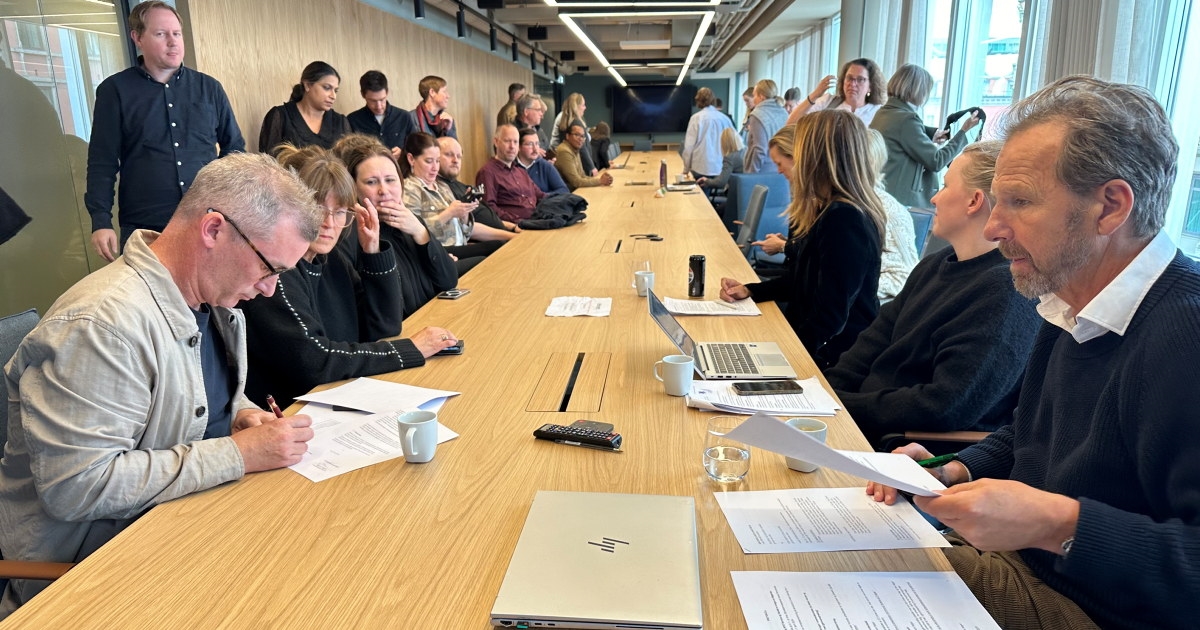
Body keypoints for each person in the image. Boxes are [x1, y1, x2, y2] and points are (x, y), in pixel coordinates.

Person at [868, 76, 1200, 629]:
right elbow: (1029, 436)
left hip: (1088, 609)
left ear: (1110, 207)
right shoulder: (1066, 299)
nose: (995, 228)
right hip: (1020, 566)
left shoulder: (1184, 336)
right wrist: (951, 470)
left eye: (1020, 202)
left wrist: (1057, 523)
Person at [0, 153, 324, 617]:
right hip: (93, 577)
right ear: (213, 230)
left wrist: (242, 414)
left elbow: (198, 398)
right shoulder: (100, 327)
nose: (270, 289)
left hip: (186, 527)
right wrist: (239, 454)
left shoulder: (214, 303)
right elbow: (77, 486)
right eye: (269, 268)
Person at [825, 140, 1039, 447]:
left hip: (901, 447)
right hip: (858, 422)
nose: (934, 197)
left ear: (974, 201)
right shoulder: (934, 265)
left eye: (945, 185)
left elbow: (944, 406)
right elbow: (871, 343)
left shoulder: (1006, 291)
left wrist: (843, 406)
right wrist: (826, 396)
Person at [241, 145, 459, 407]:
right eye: (317, 208)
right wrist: (410, 349)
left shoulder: (332, 260)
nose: (329, 223)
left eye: (340, 211)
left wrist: (373, 251)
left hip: (339, 396)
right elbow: (316, 360)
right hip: (294, 411)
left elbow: (383, 326)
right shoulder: (277, 271)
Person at [720, 110, 885, 368]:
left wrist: (785, 360)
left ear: (816, 157)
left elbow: (830, 316)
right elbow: (803, 282)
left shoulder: (845, 218)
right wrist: (751, 290)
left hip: (832, 361)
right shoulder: (826, 209)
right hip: (809, 344)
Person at [86, 0, 245, 260]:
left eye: (177, 34)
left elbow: (235, 149)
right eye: (161, 34)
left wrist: (226, 201)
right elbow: (102, 161)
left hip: (207, 222)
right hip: (144, 228)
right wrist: (101, 220)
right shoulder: (115, 91)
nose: (173, 42)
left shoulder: (209, 88)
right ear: (137, 38)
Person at [336, 135, 458, 317]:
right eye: (371, 182)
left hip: (436, 318)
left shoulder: (411, 222)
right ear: (353, 188)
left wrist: (421, 232)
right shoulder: (350, 237)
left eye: (390, 180)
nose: (384, 191)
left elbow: (448, 280)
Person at [870, 63, 979, 208]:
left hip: (883, 195)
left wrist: (930, 134)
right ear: (918, 90)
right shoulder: (907, 120)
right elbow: (937, 161)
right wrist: (963, 132)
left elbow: (901, 137)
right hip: (903, 203)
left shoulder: (883, 113)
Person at [400, 132, 509, 273]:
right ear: (411, 159)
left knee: (500, 246)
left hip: (459, 245)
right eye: (429, 161)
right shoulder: (409, 189)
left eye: (437, 161)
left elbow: (466, 233)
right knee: (493, 251)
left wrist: (464, 216)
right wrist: (449, 213)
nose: (435, 167)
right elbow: (414, 233)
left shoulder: (443, 186)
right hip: (438, 251)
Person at [865, 129, 919, 301]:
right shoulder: (829, 203)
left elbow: (905, 277)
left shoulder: (889, 211)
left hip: (872, 308)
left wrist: (847, 285)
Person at [259, 61, 351, 154]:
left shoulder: (341, 122)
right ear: (307, 85)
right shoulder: (280, 116)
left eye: (336, 90)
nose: (333, 96)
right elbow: (268, 159)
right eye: (327, 88)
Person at [435, 136, 522, 234]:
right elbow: (469, 229)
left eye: (459, 156)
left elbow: (488, 216)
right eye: (449, 155)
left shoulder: (464, 187)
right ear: (435, 157)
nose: (455, 160)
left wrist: (513, 227)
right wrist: (510, 236)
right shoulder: (440, 190)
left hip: (506, 232)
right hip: (493, 239)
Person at [475, 124, 545, 223]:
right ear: (496, 142)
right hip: (515, 226)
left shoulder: (520, 171)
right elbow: (489, 209)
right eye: (507, 141)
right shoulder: (487, 172)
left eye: (515, 142)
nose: (512, 146)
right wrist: (517, 221)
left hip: (537, 220)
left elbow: (541, 196)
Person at [786, 58, 887, 126]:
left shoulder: (878, 112)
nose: (853, 84)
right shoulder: (828, 102)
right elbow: (791, 123)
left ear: (871, 86)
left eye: (860, 79)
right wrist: (815, 95)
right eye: (849, 78)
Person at [346, 70, 415, 160]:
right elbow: (348, 154)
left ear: (387, 92)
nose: (379, 106)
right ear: (363, 95)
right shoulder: (353, 120)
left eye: (382, 99)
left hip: (399, 167)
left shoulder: (404, 116)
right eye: (373, 101)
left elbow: (416, 147)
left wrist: (403, 153)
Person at [681, 87, 734, 180]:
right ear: (713, 100)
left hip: (700, 167)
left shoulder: (696, 118)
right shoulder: (725, 119)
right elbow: (734, 144)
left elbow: (689, 147)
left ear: (698, 101)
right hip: (720, 167)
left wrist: (686, 169)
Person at [742, 79, 788, 173]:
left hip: (762, 170)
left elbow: (760, 149)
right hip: (781, 169)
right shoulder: (783, 112)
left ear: (761, 96)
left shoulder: (757, 115)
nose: (754, 99)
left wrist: (752, 173)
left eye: (754, 95)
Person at [555, 122, 613, 191]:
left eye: (582, 136)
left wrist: (599, 180)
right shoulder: (565, 151)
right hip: (568, 192)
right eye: (577, 135)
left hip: (576, 190)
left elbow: (582, 176)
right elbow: (576, 182)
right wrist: (599, 181)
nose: (580, 139)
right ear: (567, 136)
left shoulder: (575, 149)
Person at [550, 93, 597, 175]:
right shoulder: (576, 124)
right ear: (576, 106)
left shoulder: (565, 121)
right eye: (583, 105)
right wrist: (591, 167)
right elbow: (582, 148)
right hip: (580, 166)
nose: (585, 108)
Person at [516, 127, 569, 196]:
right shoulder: (510, 167)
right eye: (530, 144)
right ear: (518, 147)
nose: (535, 149)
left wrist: (543, 196)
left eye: (537, 144)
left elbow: (564, 190)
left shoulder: (544, 165)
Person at [696, 127, 744, 193]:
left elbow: (721, 182)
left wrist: (707, 181)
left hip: (736, 193)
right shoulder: (744, 152)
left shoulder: (730, 158)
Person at [515, 94, 551, 158]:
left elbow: (547, 150)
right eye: (538, 110)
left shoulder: (538, 130)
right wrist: (534, 152)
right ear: (526, 111)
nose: (541, 114)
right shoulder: (512, 132)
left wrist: (551, 159)